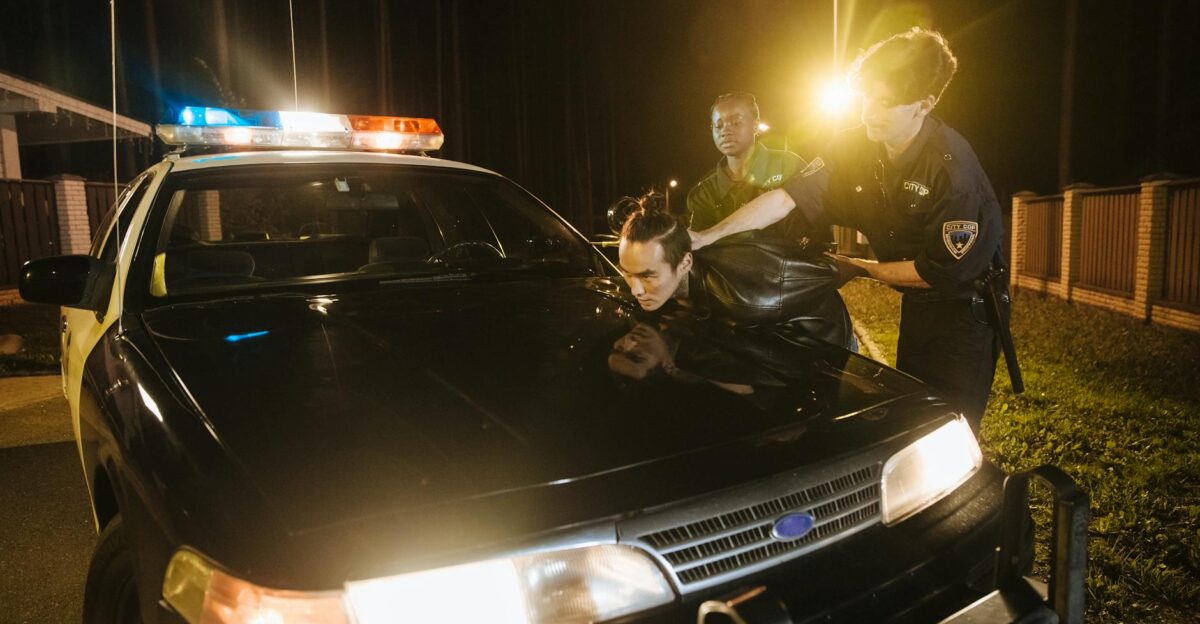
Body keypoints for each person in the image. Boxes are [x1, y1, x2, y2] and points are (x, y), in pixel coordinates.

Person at [689, 28, 1008, 431]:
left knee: (951, 425)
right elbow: (789, 197)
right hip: (918, 305)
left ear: (923, 105)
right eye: (866, 97)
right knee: (914, 412)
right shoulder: (855, 146)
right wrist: (708, 236)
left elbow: (937, 272)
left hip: (963, 311)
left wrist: (859, 267)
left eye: (885, 102)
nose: (868, 112)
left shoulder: (952, 171)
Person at [616, 208, 854, 350]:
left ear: (685, 263)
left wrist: (876, 269)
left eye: (647, 276)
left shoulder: (745, 297)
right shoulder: (661, 286)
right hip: (763, 345)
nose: (635, 290)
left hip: (822, 348)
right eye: (627, 273)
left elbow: (833, 270)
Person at [687, 93, 830, 246]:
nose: (725, 131)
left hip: (791, 267)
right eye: (718, 125)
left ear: (755, 125)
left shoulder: (788, 165)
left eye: (736, 122)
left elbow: (818, 226)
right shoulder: (704, 193)